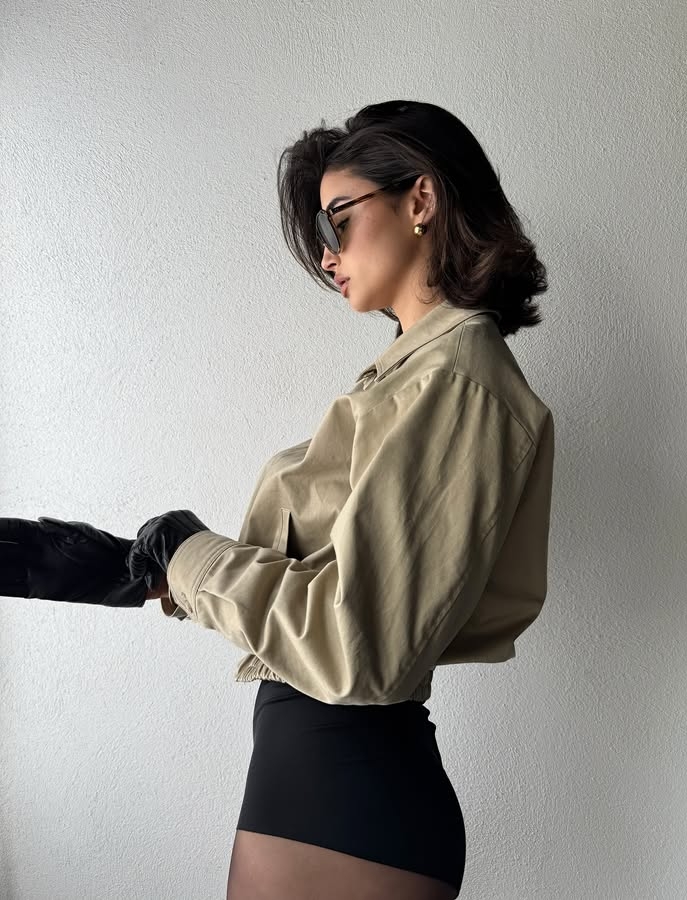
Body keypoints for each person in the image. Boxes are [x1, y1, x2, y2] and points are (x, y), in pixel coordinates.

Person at [2, 100, 554, 900]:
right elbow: (331, 592)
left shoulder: (459, 382)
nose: (327, 255)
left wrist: (190, 555)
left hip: (349, 793)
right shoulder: (414, 377)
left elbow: (362, 643)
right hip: (319, 784)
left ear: (422, 200)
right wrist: (141, 571)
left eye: (337, 221)